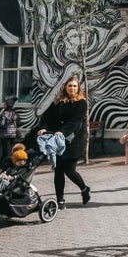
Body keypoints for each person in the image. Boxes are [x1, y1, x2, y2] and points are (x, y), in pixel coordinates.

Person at [37, 76, 90, 210]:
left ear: (78, 88)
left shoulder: (81, 103)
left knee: (69, 169)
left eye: (74, 86)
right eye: (69, 86)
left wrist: (63, 131)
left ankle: (84, 189)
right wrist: (43, 127)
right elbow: (47, 116)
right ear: (65, 88)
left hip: (74, 140)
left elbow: (76, 121)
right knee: (58, 170)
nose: (72, 88)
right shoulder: (59, 101)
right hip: (58, 140)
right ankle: (60, 200)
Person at [0, 97, 19, 167]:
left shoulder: (4, 114)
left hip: (5, 134)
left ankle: (6, 163)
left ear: (7, 105)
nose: (3, 105)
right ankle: (4, 162)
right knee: (9, 149)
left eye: (4, 104)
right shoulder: (14, 113)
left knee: (6, 150)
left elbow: (2, 124)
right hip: (13, 134)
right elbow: (18, 122)